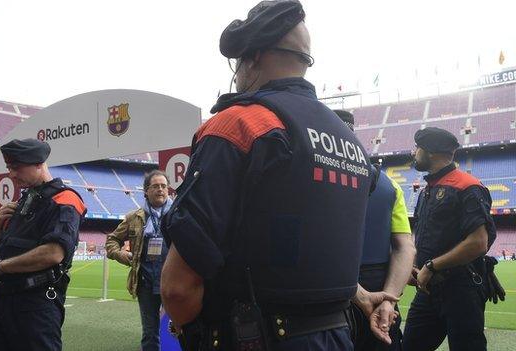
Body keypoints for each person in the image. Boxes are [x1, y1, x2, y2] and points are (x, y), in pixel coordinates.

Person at [160, 2, 396, 350]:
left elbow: (177, 288)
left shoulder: (239, 124)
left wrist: (193, 332)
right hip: (338, 334)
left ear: (252, 57)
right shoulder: (351, 144)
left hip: (250, 336)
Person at [0, 138, 86, 351]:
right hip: (1, 302)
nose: (12, 174)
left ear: (39, 163)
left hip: (36, 306)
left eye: (16, 167)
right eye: (9, 167)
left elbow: (53, 253)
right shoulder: (23, 201)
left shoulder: (65, 199)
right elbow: (0, 250)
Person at [403, 127, 496, 351]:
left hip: (461, 291)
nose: (414, 152)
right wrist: (416, 268)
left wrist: (432, 266)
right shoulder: (428, 190)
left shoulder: (467, 186)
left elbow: (478, 242)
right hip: (428, 291)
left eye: (417, 147)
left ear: (431, 152)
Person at [334, 110, 416, 350]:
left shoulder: (312, 177)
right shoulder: (389, 186)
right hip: (380, 289)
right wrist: (388, 300)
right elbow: (405, 247)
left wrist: (357, 292)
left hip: (332, 294)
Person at [105, 170, 173, 351]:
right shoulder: (134, 217)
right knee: (150, 332)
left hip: (174, 283)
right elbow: (111, 240)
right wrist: (120, 254)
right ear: (146, 191)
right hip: (146, 283)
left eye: (164, 186)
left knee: (177, 330)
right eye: (155, 186)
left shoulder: (178, 214)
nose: (160, 190)